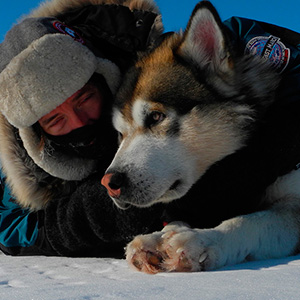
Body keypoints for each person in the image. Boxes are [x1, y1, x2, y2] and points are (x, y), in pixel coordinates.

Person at [0, 0, 165, 256]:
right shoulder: (22, 159)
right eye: (55, 121)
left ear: (106, 79)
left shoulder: (152, 72)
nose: (79, 123)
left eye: (84, 99)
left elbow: (237, 38)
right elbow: (9, 226)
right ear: (37, 136)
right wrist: (82, 221)